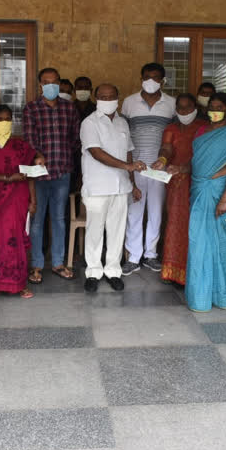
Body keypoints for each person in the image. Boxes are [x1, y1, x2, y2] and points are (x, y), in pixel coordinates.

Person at [184, 93, 226, 312]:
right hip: (200, 191)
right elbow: (195, 162)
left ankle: (225, 297)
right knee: (199, 243)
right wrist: (178, 169)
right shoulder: (201, 132)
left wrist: (225, 199)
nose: (215, 111)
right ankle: (200, 298)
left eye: (219, 107)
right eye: (212, 107)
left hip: (225, 193)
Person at [80, 84, 145, 293]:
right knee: (94, 231)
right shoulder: (89, 123)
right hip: (97, 186)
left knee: (117, 232)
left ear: (118, 98)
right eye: (102, 96)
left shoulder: (122, 123)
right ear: (95, 98)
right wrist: (127, 167)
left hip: (121, 186)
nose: (107, 100)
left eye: (111, 96)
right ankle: (93, 272)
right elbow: (96, 152)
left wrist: (132, 182)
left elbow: (129, 153)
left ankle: (113, 271)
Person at [0, 105, 45, 301]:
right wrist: (9, 178)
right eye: (0, 118)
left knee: (17, 243)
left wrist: (33, 200)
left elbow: (30, 171)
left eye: (8, 119)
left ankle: (19, 284)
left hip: (18, 199)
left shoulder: (21, 145)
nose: (4, 122)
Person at [22, 68, 79, 283]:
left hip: (62, 171)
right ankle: (36, 265)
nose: (51, 86)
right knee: (37, 221)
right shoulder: (31, 109)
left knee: (59, 220)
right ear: (40, 85)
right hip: (38, 175)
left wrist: (65, 155)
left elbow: (75, 139)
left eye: (55, 82)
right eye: (46, 82)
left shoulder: (69, 108)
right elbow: (29, 138)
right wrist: (37, 154)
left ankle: (57, 263)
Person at [121, 62, 176, 275]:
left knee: (155, 212)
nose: (150, 81)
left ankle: (150, 255)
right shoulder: (128, 102)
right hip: (135, 165)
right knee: (134, 212)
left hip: (160, 167)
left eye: (155, 77)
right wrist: (129, 165)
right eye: (146, 77)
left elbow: (174, 136)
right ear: (141, 78)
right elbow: (123, 134)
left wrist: (165, 160)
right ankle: (133, 257)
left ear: (162, 81)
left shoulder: (171, 104)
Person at [151, 93, 206, 285]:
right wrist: (162, 160)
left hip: (198, 181)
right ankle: (173, 271)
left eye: (188, 108)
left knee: (196, 226)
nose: (184, 112)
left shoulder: (203, 128)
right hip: (176, 182)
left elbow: (204, 155)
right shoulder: (171, 128)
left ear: (196, 108)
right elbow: (166, 148)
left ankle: (193, 271)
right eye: (180, 108)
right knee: (175, 223)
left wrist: (184, 168)